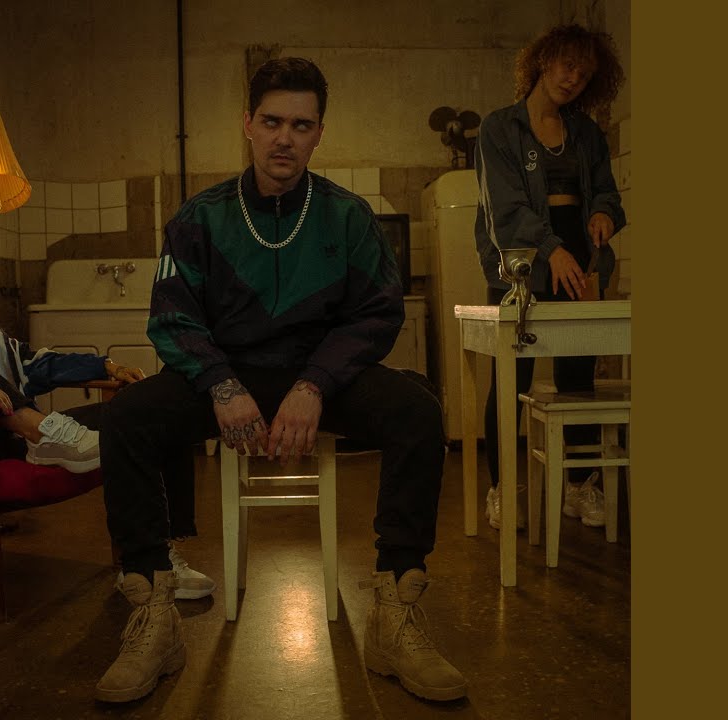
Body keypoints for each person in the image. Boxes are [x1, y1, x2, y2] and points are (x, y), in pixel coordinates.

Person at [93, 57, 467, 704]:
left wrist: (315, 383)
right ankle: (154, 612)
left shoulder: (347, 216)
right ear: (248, 124)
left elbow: (377, 314)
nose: (284, 139)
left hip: (320, 378)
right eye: (271, 122)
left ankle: (395, 612)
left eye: (301, 125)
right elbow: (172, 317)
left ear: (319, 132)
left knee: (417, 410)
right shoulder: (200, 218)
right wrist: (221, 384)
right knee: (127, 418)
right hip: (227, 379)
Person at [0, 227, 215, 599]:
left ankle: (155, 557)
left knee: (155, 415)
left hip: (16, 438)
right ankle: (43, 432)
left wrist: (105, 366)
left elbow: (34, 362)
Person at [473, 24, 626, 530]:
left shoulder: (586, 133)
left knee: (577, 378)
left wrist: (602, 213)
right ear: (543, 61)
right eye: (567, 65)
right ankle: (502, 489)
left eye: (585, 73)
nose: (573, 78)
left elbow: (606, 191)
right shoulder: (500, 128)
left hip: (578, 261)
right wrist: (550, 249)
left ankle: (578, 486)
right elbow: (505, 208)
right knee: (510, 379)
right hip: (520, 264)